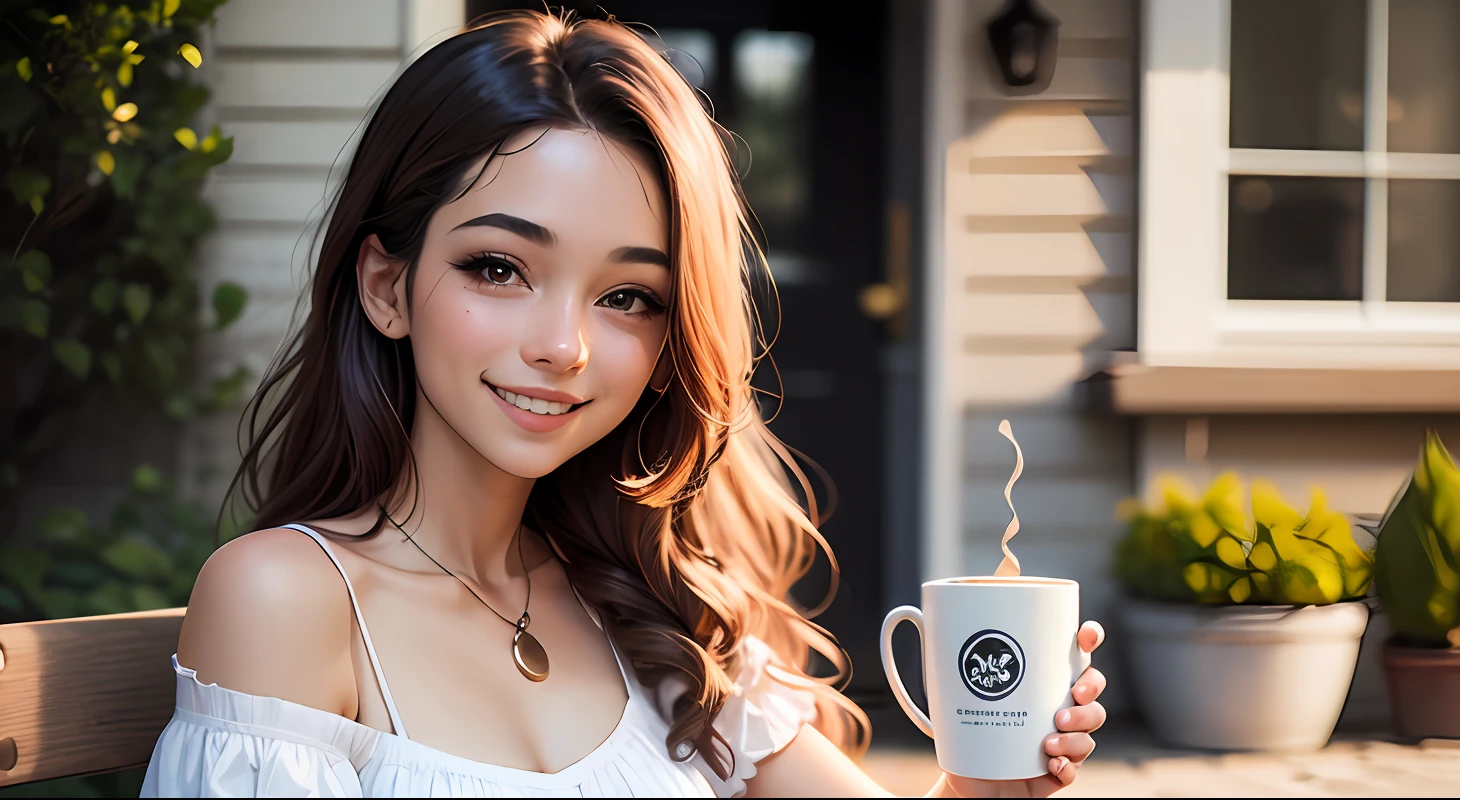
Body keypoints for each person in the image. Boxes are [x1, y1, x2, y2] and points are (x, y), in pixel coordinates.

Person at [141, 9, 1106, 798]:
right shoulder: (286, 601)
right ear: (387, 287)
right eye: (498, 268)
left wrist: (994, 784)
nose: (562, 346)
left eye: (627, 297)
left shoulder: (654, 607)